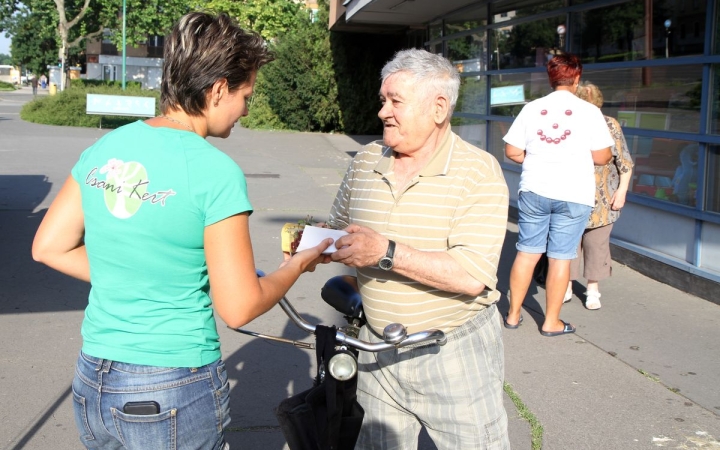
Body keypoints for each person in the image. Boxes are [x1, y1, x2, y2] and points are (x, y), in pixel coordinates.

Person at [31, 12, 331, 450]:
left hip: (94, 378)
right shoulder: (214, 171)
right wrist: (298, 265)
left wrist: (139, 277)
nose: (246, 108)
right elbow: (240, 307)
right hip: (170, 385)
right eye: (245, 95)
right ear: (217, 89)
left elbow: (49, 248)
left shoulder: (108, 146)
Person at [327, 48, 510, 449]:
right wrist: (312, 244)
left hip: (453, 353)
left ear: (439, 108)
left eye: (396, 101)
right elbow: (340, 227)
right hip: (376, 349)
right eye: (382, 100)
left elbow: (471, 276)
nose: (383, 112)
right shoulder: (365, 161)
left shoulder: (478, 172)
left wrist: (384, 252)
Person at [503, 53, 613, 336]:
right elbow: (603, 157)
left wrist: (540, 157)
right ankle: (551, 322)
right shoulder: (590, 112)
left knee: (527, 253)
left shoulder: (531, 108)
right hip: (574, 192)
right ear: (576, 77)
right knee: (560, 257)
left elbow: (512, 151)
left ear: (551, 79)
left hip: (535, 188)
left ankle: (513, 315)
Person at [567, 82, 634, 310]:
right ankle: (566, 283)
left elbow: (624, 162)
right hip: (572, 194)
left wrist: (622, 191)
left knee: (596, 244)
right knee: (569, 243)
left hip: (603, 197)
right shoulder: (569, 124)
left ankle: (592, 289)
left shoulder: (609, 124)